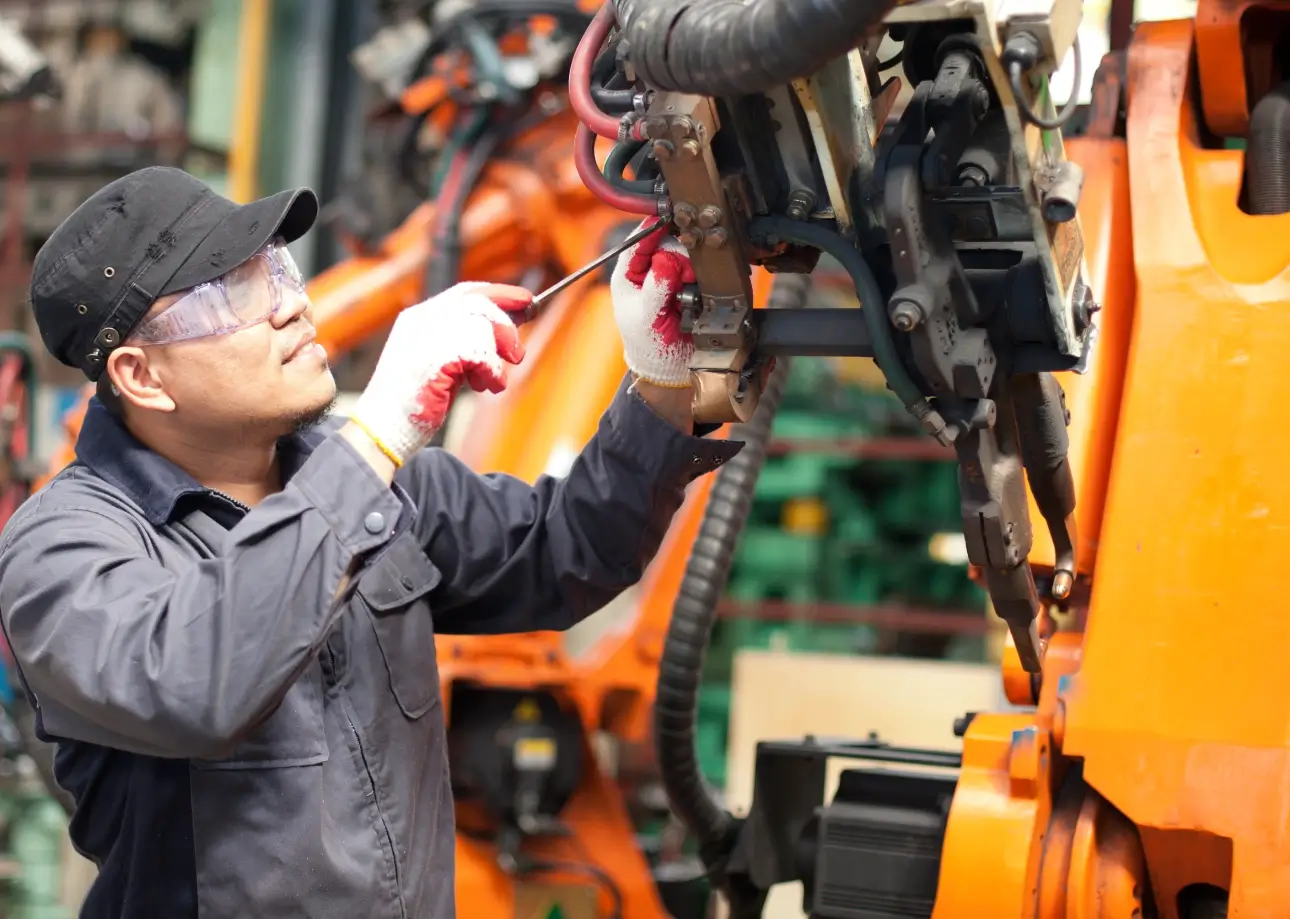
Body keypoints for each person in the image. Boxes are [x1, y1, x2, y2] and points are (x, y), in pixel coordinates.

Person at [0, 166, 738, 919]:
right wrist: (376, 437)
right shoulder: (62, 551)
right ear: (141, 376)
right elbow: (196, 684)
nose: (293, 307)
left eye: (279, 271)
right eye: (233, 293)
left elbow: (571, 550)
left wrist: (658, 382)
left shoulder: (372, 485)